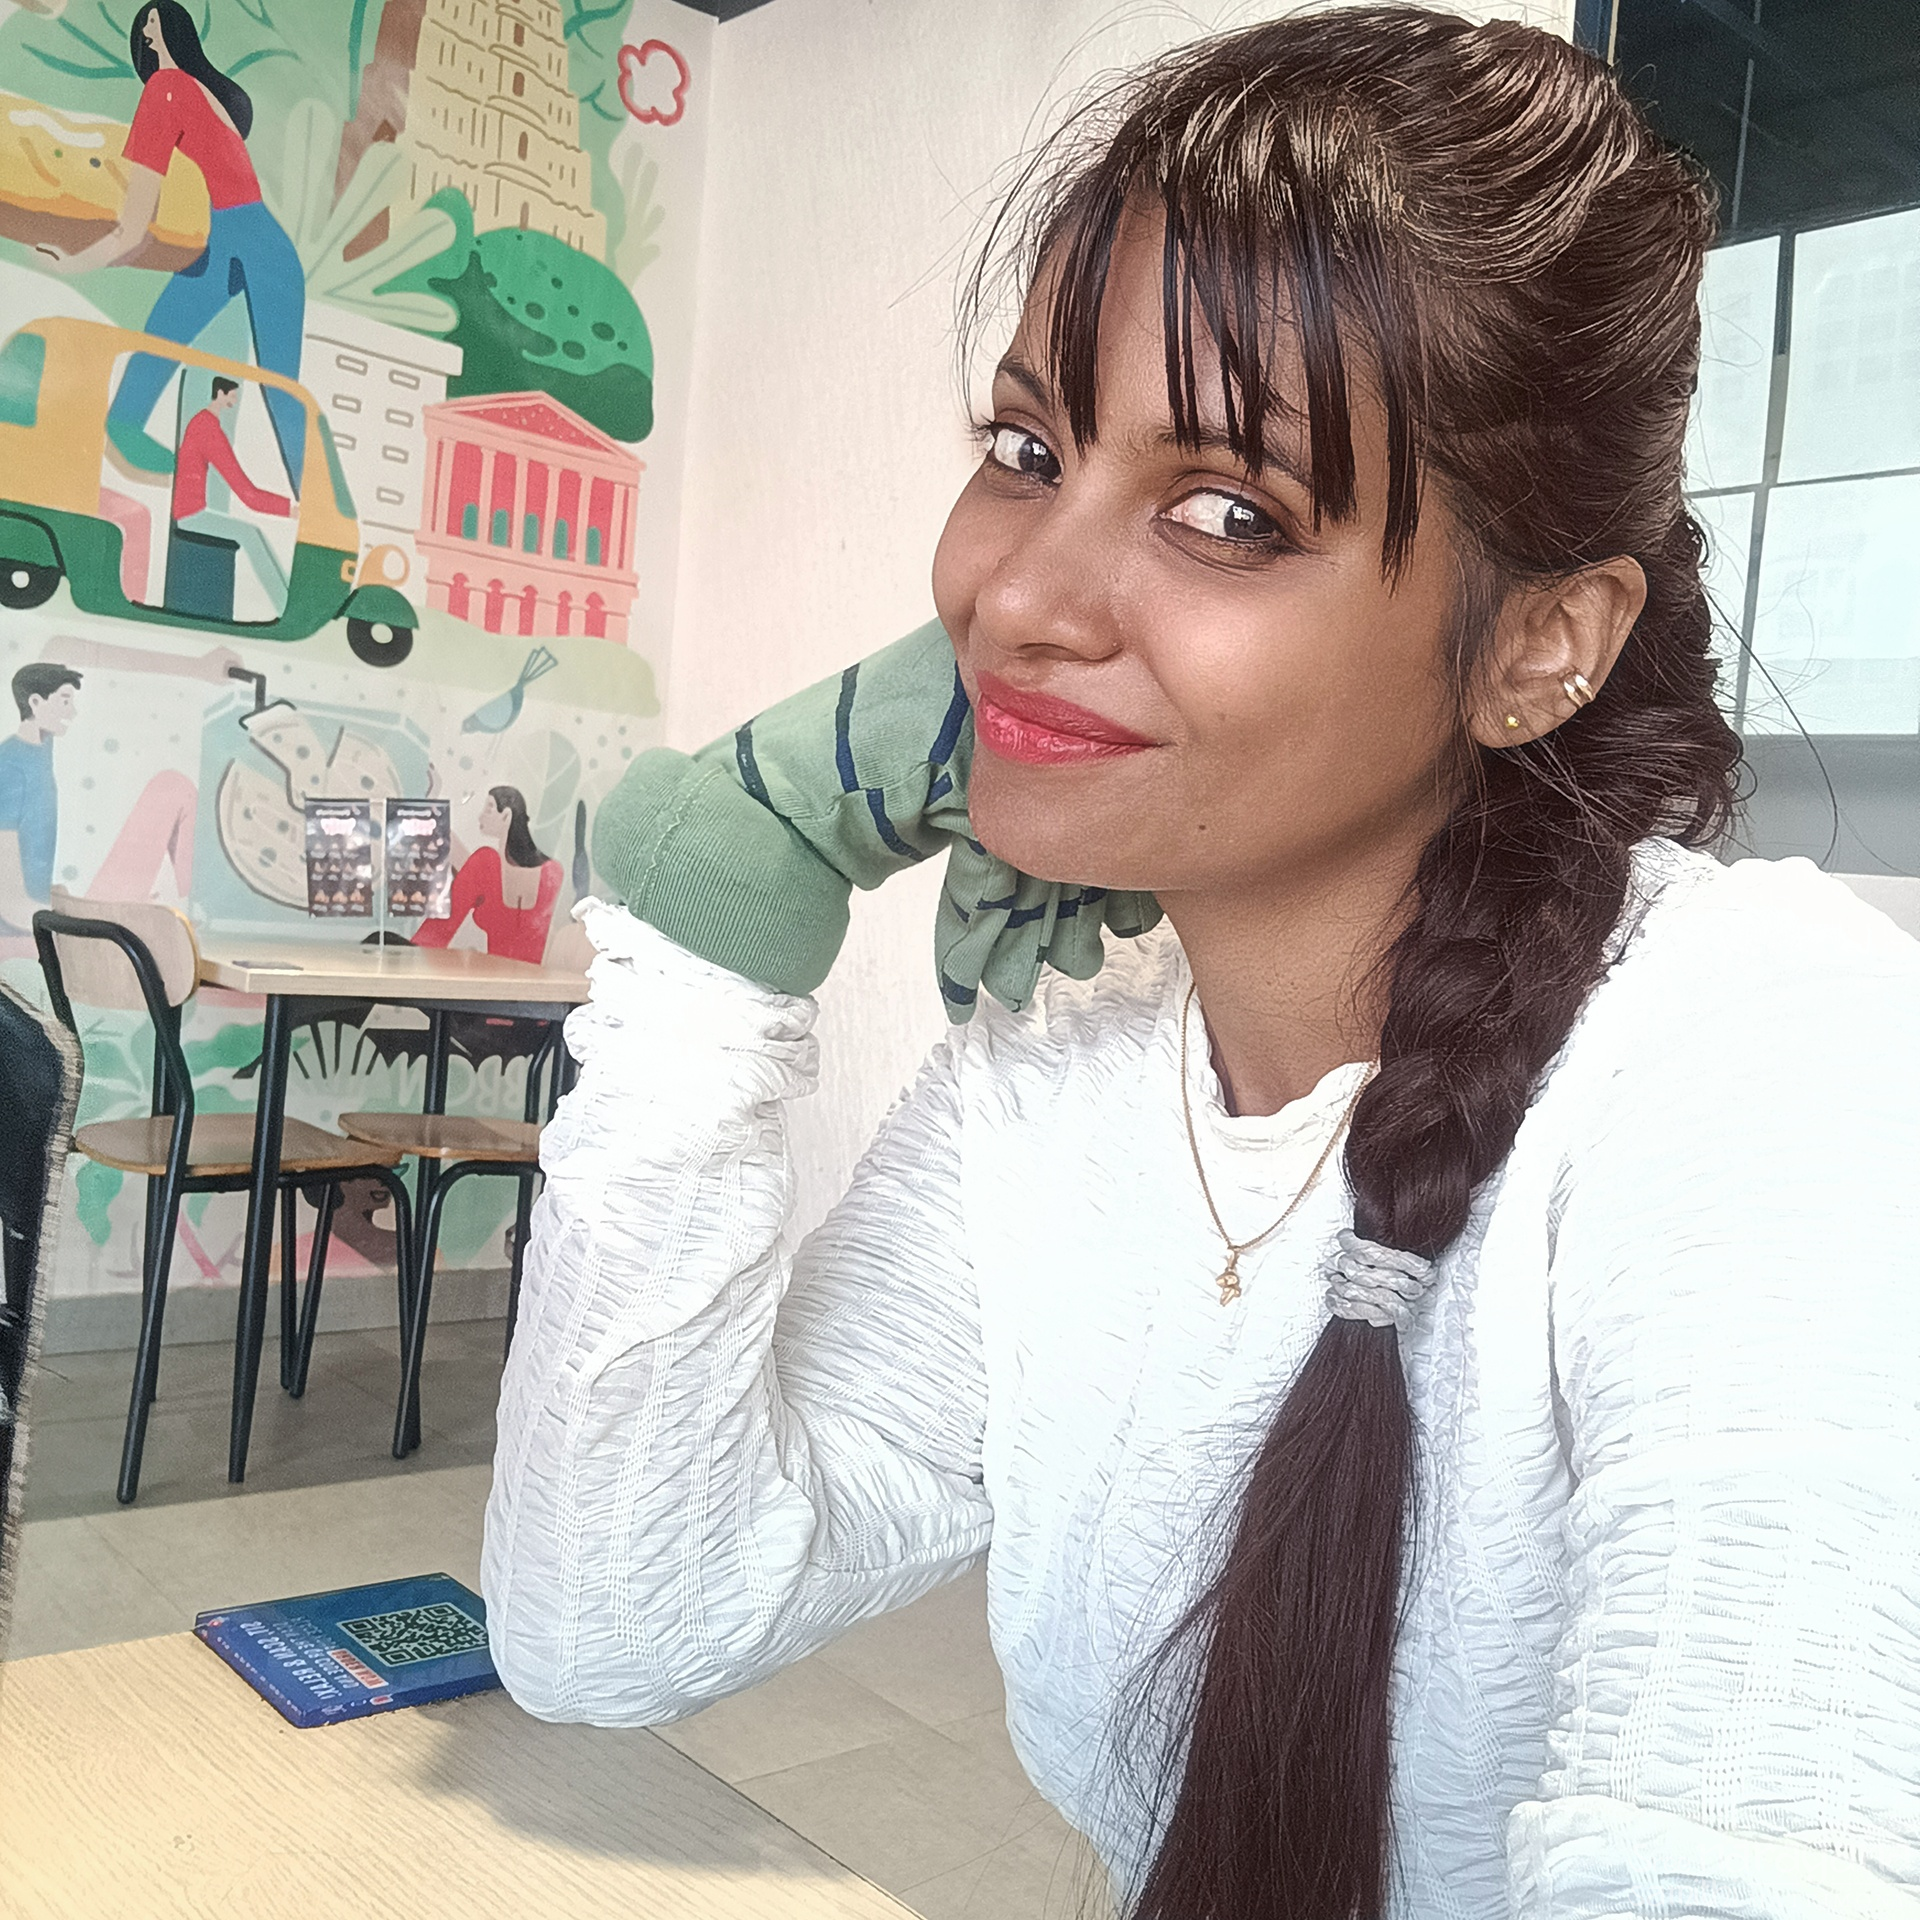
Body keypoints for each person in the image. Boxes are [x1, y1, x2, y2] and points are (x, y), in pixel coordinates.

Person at [482, 13, 1920, 1919]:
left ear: (1539, 645)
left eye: (1229, 512)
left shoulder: (1765, 1059)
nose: (1013, 598)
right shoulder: (1059, 1072)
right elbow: (612, 1622)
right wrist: (715, 901)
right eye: (1026, 450)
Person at [36, 1, 306, 490]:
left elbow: (133, 228)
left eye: (151, 21)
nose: (146, 29)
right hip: (234, 240)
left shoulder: (166, 89)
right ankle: (126, 431)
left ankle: (314, 499)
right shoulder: (198, 89)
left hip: (252, 245)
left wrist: (72, 263)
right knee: (165, 337)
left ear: (158, 35)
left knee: (280, 386)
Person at [172, 377, 292, 609]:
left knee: (252, 532)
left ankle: (286, 600)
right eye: (232, 395)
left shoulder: (202, 422)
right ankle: (283, 604)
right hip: (189, 515)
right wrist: (290, 509)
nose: (235, 401)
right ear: (220, 393)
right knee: (250, 534)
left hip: (189, 510)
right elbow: (248, 495)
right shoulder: (208, 428)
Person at [412, 787, 562, 965]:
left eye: (488, 809)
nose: (480, 817)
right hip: (520, 978)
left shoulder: (487, 863)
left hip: (499, 978)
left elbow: (436, 932)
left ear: (506, 816)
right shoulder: (552, 871)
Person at [0, 664, 80, 936]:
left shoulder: (43, 747)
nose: (72, 712)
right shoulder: (10, 766)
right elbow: (9, 897)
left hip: (39, 912)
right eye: (65, 701)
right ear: (35, 702)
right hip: (19, 924)